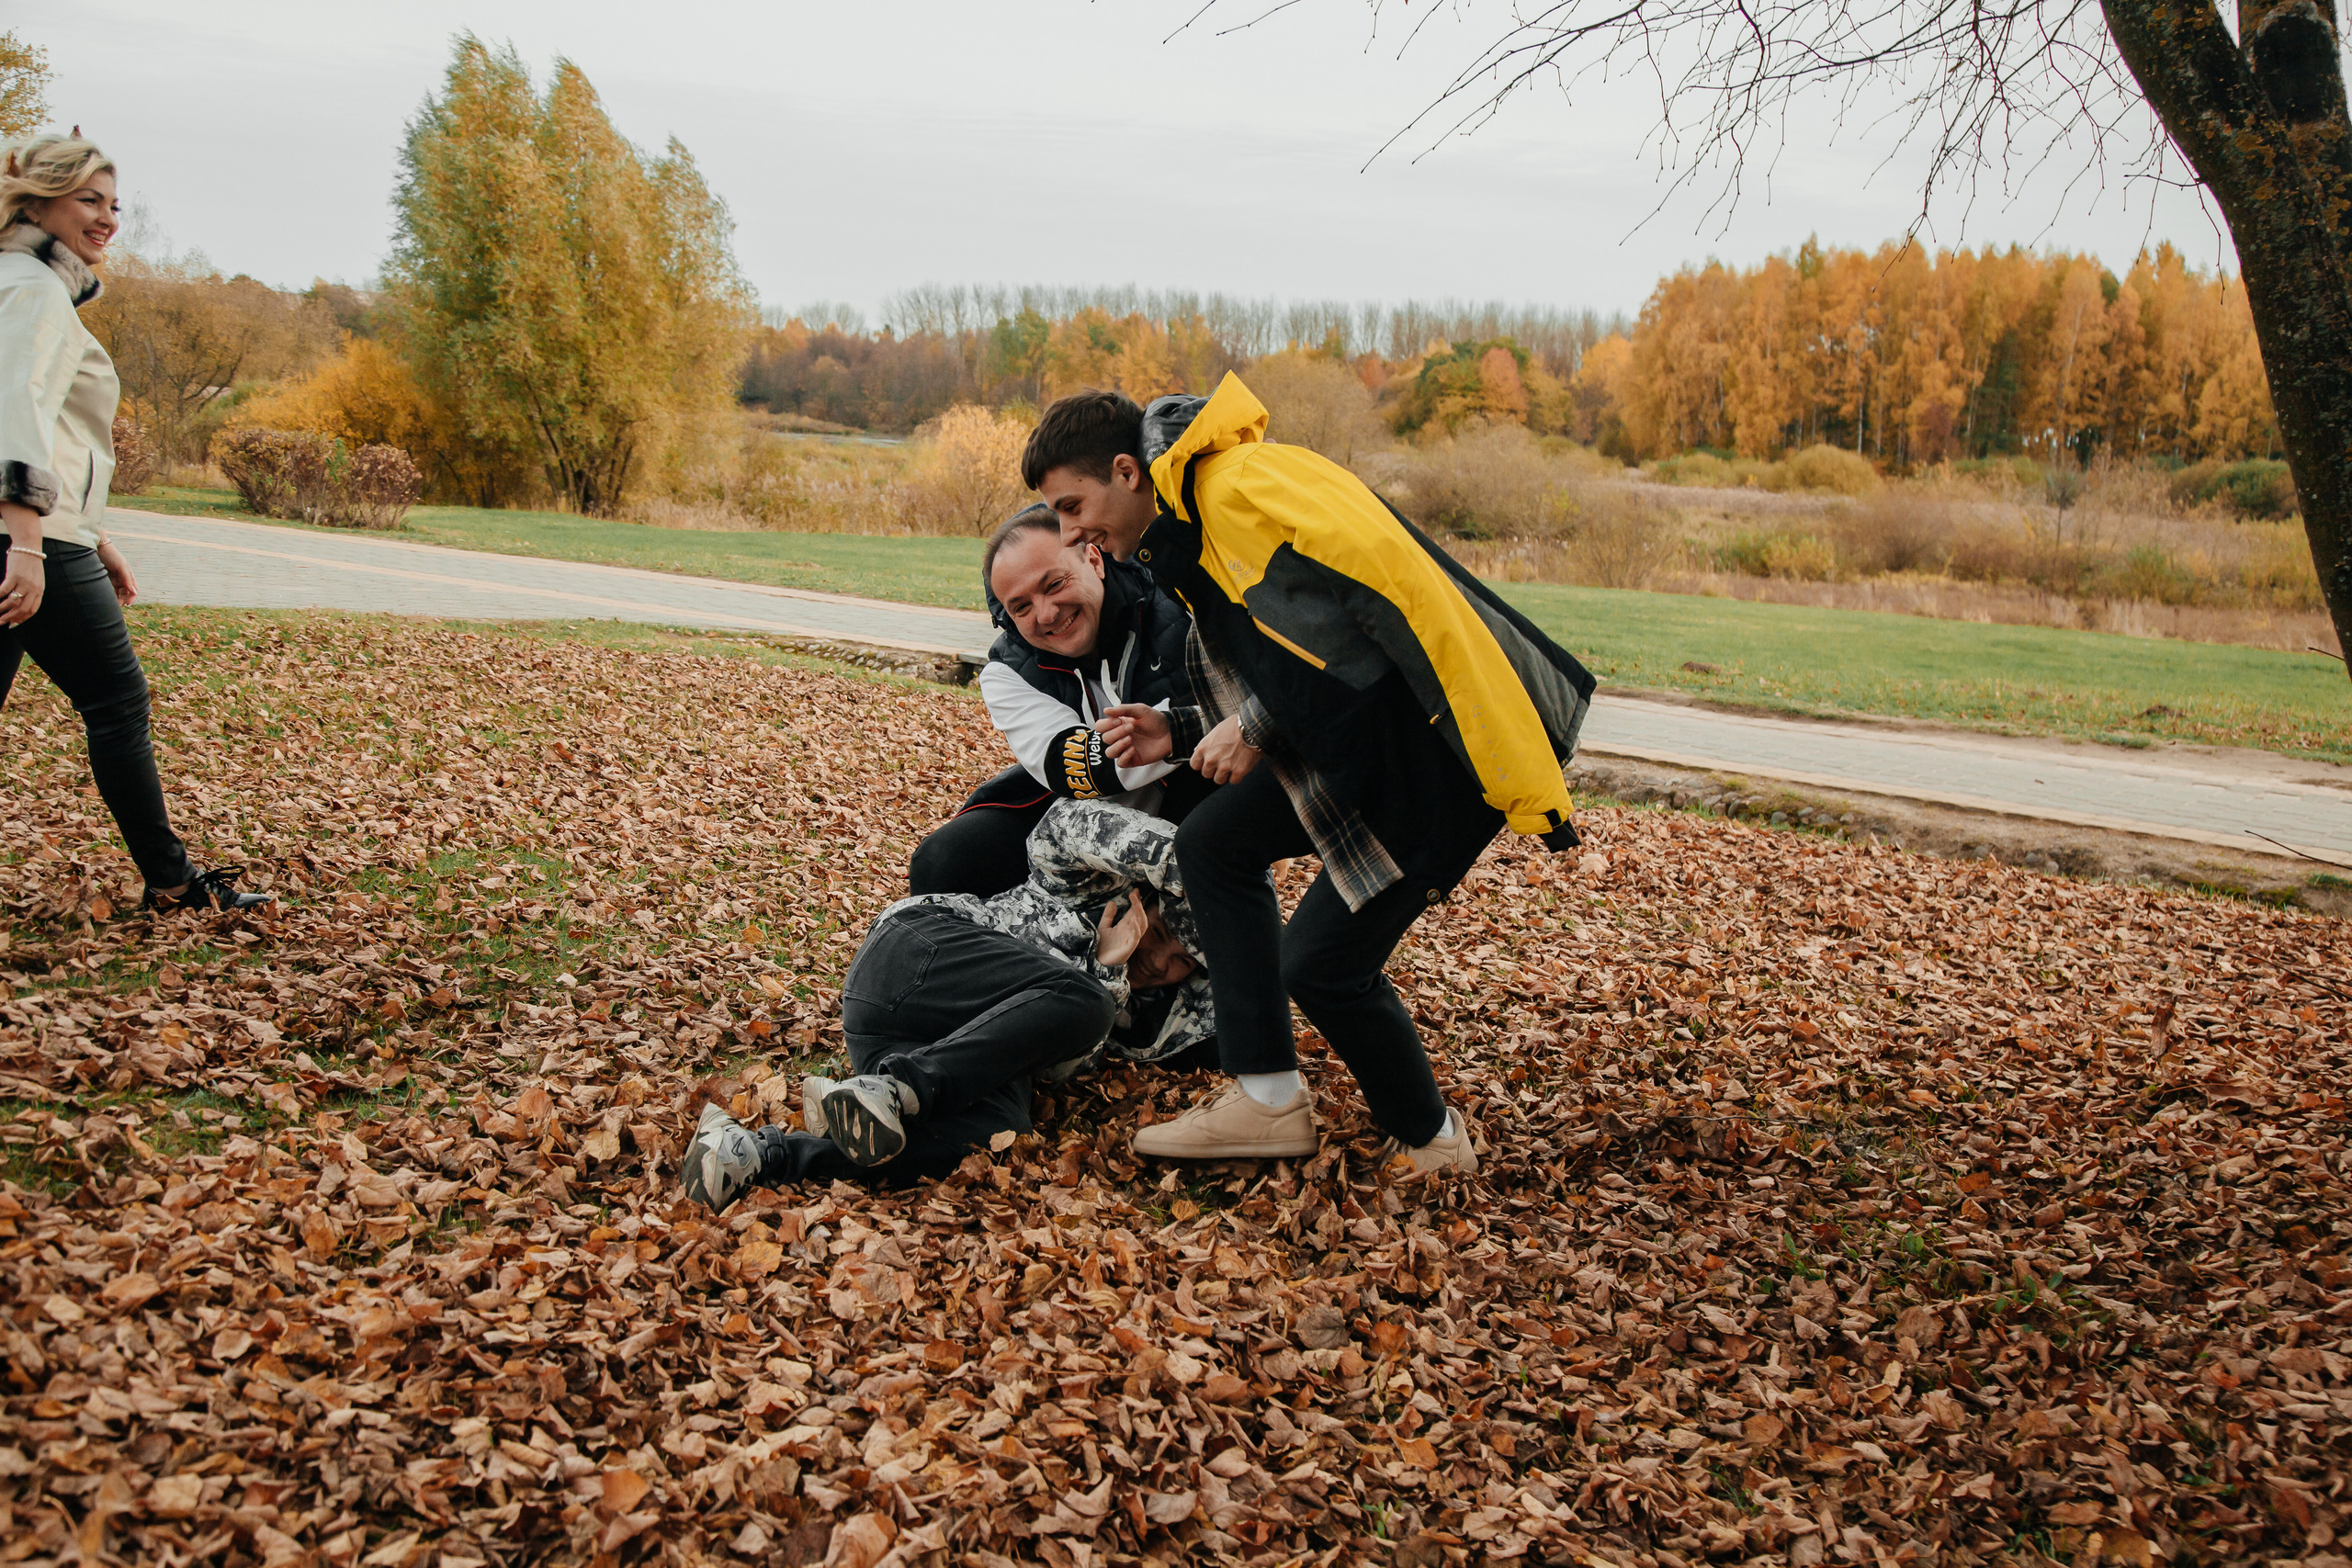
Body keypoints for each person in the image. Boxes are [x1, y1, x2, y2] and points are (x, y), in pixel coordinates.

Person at [1026, 378, 1597, 1175]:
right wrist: (1182, 728)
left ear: (1127, 472)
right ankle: (1265, 1099)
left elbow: (1352, 647)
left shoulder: (1236, 495)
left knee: (1323, 965)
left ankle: (1432, 1140)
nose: (1070, 530)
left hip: (1434, 757)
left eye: (1070, 505)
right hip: (1367, 745)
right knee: (1215, 841)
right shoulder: (1199, 513)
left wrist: (1251, 727)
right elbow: (1280, 670)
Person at [681, 798, 1211, 1209]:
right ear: (1139, 899)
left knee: (996, 1133)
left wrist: (1107, 966)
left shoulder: (1118, 1010)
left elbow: (1056, 1067)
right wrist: (1212, 872)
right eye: (1160, 931)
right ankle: (896, 1090)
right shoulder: (1073, 884)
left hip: (899, 1046)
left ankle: (757, 1155)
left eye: (1183, 960)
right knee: (1084, 1003)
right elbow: (1067, 821)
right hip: (917, 956)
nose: (1160, 962)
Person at [0, 134, 266, 914]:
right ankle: (174, 882)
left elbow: (52, 435)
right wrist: (26, 544)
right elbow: (17, 418)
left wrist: (99, 535)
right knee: (117, 702)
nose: (108, 219)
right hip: (31, 540)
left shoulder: (21, 282)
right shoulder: (34, 290)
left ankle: (172, 878)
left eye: (115, 205)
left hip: (50, 534)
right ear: (37, 199)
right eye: (89, 200)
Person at [907, 502, 1209, 898]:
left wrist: (1178, 731)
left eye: (1054, 584)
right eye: (1021, 607)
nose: (1047, 614)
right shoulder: (1005, 672)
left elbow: (1248, 711)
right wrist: (1175, 732)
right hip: (1070, 809)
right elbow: (1073, 770)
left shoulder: (1184, 606)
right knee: (942, 860)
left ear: (1095, 559)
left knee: (1209, 833)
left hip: (1201, 790)